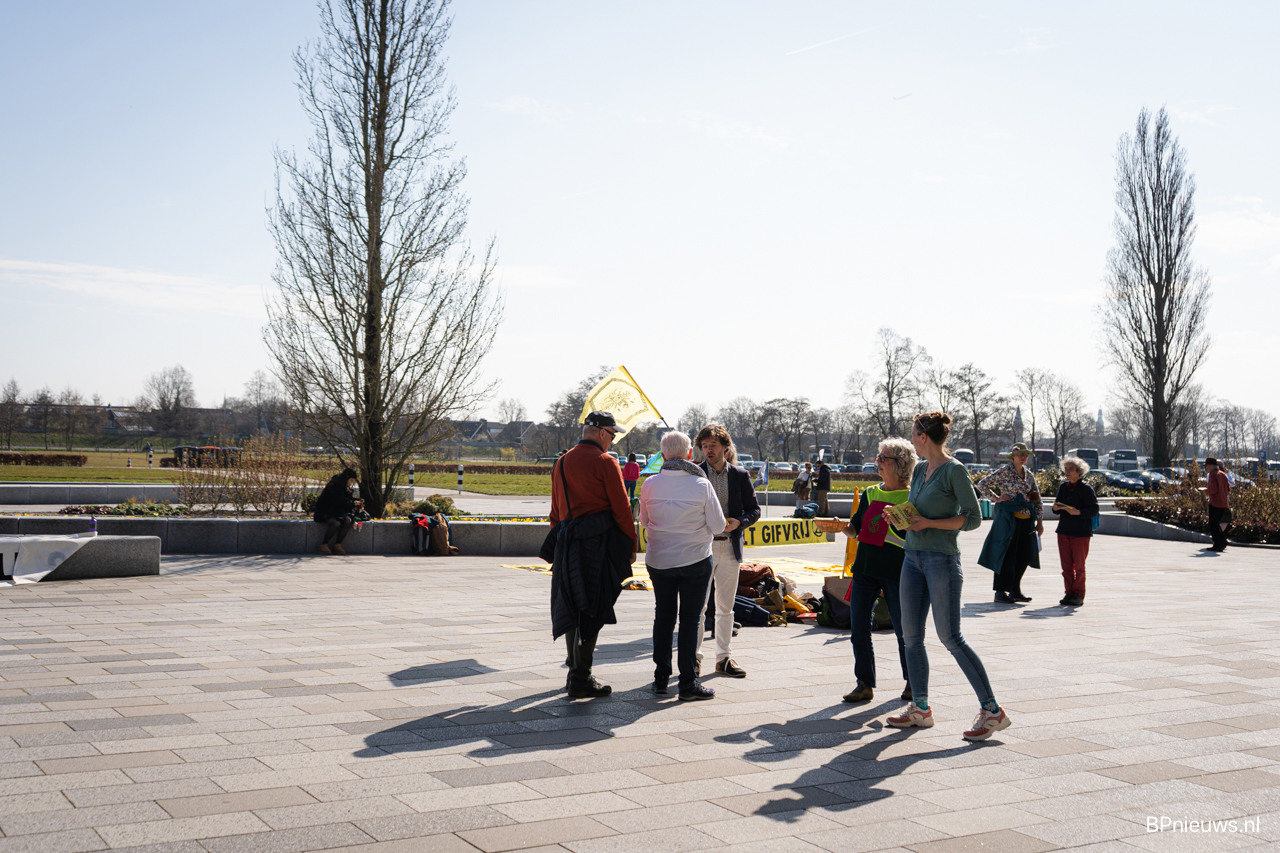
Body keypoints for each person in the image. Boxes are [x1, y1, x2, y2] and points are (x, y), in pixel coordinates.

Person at [889, 411, 1011, 742]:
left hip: (941, 560)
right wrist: (901, 518)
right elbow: (917, 513)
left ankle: (992, 710)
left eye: (913, 434)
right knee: (911, 637)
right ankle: (920, 708)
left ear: (923, 437)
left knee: (950, 637)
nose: (911, 440)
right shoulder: (918, 470)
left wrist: (929, 524)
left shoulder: (954, 471)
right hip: (911, 558)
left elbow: (972, 518)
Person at [548, 411, 638, 699]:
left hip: (567, 542)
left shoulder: (562, 461)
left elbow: (555, 510)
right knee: (592, 607)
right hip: (596, 545)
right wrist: (630, 544)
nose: (612, 441)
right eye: (612, 435)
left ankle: (574, 668)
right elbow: (622, 508)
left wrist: (559, 543)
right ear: (601, 433)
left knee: (572, 605)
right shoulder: (605, 461)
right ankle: (581, 676)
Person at [639, 431, 725, 701]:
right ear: (690, 454)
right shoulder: (701, 485)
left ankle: (660, 677)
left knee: (663, 617)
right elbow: (719, 526)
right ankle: (688, 682)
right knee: (690, 620)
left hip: (659, 560)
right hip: (695, 559)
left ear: (662, 455)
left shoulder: (650, 484)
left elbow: (643, 521)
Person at [839, 437, 916, 704]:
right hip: (865, 568)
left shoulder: (912, 496)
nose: (878, 461)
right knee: (859, 628)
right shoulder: (871, 492)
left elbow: (913, 536)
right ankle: (864, 684)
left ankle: (912, 681)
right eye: (878, 456)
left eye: (884, 458)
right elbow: (856, 529)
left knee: (904, 631)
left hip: (897, 570)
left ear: (900, 464)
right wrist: (841, 526)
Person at [694, 424, 761, 679]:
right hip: (703, 547)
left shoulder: (740, 475)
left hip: (730, 546)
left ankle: (723, 658)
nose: (708, 450)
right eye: (704, 446)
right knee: (698, 607)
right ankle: (694, 658)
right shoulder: (696, 474)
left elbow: (755, 510)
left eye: (713, 445)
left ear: (725, 447)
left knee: (726, 607)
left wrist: (739, 522)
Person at [976, 442, 1043, 604]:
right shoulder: (1005, 472)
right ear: (1013, 457)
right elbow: (982, 484)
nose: (1023, 457)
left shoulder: (1029, 475)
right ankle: (1000, 591)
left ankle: (1015, 590)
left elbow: (1036, 497)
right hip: (1009, 519)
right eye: (1020, 454)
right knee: (1006, 553)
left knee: (1024, 555)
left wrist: (1039, 522)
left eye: (1025, 455)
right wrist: (996, 498)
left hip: (1026, 520)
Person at [1051, 456, 1098, 606]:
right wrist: (1056, 508)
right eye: (1066, 469)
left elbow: (1094, 509)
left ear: (1079, 471)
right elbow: (1056, 508)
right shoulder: (1063, 487)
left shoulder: (1086, 489)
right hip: (1064, 530)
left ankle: (1078, 594)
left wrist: (1079, 512)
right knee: (1066, 566)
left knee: (1079, 566)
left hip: (1080, 532)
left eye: (1071, 469)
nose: (1067, 472)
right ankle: (1069, 592)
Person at [313, 468, 363, 555]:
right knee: (335, 523)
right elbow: (339, 501)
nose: (351, 483)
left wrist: (356, 501)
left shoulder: (344, 486)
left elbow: (346, 500)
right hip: (325, 511)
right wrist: (353, 503)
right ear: (346, 478)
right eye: (351, 480)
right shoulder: (334, 485)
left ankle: (338, 544)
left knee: (348, 520)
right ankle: (324, 545)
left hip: (337, 512)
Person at [1203, 457, 1231, 552]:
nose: (1206, 468)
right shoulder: (1223, 474)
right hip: (1223, 502)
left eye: (1206, 466)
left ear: (1211, 466)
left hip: (1215, 503)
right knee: (1217, 524)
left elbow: (1213, 490)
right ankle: (1222, 542)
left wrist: (1205, 491)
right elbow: (1228, 488)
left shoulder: (1212, 475)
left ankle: (1219, 544)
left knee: (1213, 525)